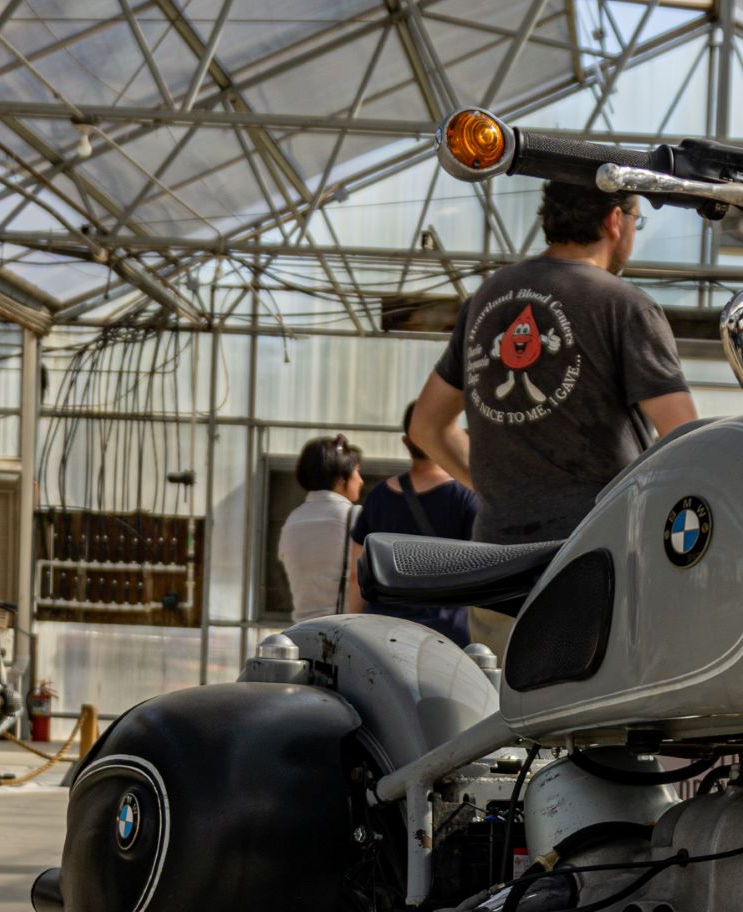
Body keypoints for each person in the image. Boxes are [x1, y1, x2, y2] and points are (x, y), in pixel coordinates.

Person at [408, 181, 697, 546]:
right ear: (614, 220)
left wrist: (498, 498)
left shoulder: (487, 296)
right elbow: (685, 437)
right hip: (593, 555)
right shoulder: (625, 306)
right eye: (636, 221)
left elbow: (426, 426)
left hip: (492, 561)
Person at [351, 402, 480, 645]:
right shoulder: (465, 497)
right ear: (448, 438)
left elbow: (356, 574)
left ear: (405, 442)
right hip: (446, 632)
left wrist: (355, 626)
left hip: (384, 629)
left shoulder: (378, 496)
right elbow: (481, 569)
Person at [276, 435, 363, 620]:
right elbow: (359, 577)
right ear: (340, 478)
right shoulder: (356, 517)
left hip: (302, 629)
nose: (361, 480)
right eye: (357, 471)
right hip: (344, 630)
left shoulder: (292, 520)